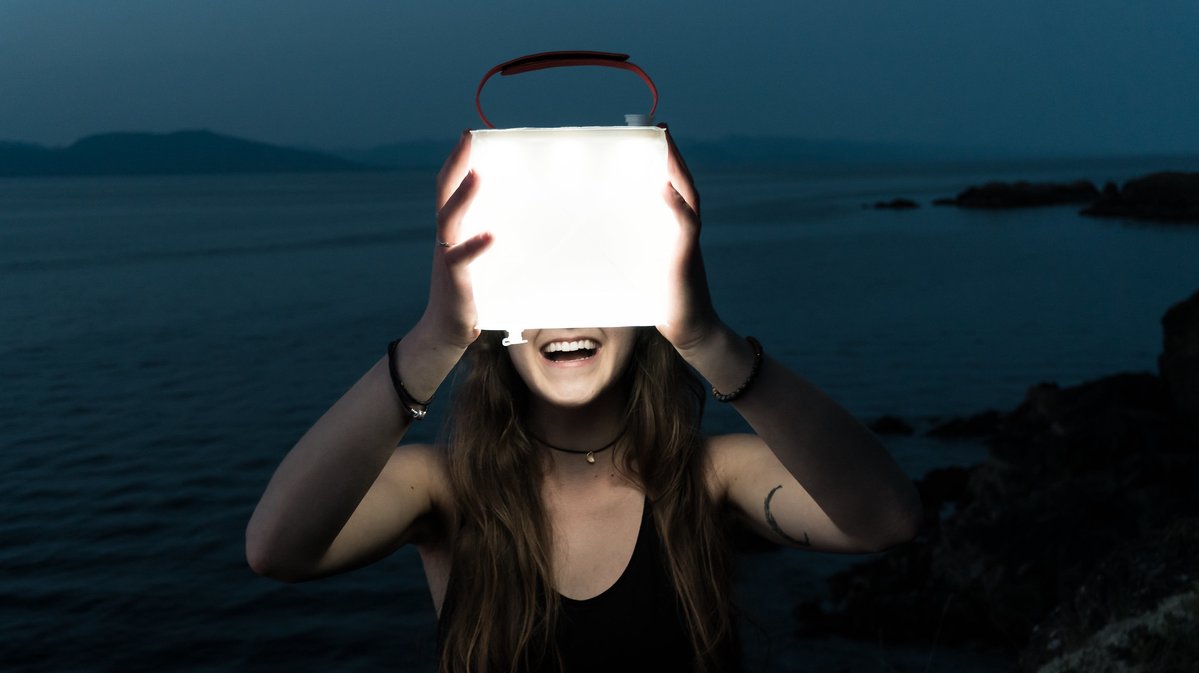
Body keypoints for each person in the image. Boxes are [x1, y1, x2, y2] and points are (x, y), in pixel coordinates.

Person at [245, 127, 923, 673]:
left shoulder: (715, 475)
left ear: (640, 307)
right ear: (497, 321)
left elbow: (885, 521)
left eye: (593, 278)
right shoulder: (441, 488)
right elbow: (277, 548)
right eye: (536, 284)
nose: (563, 312)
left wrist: (707, 336)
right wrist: (432, 339)